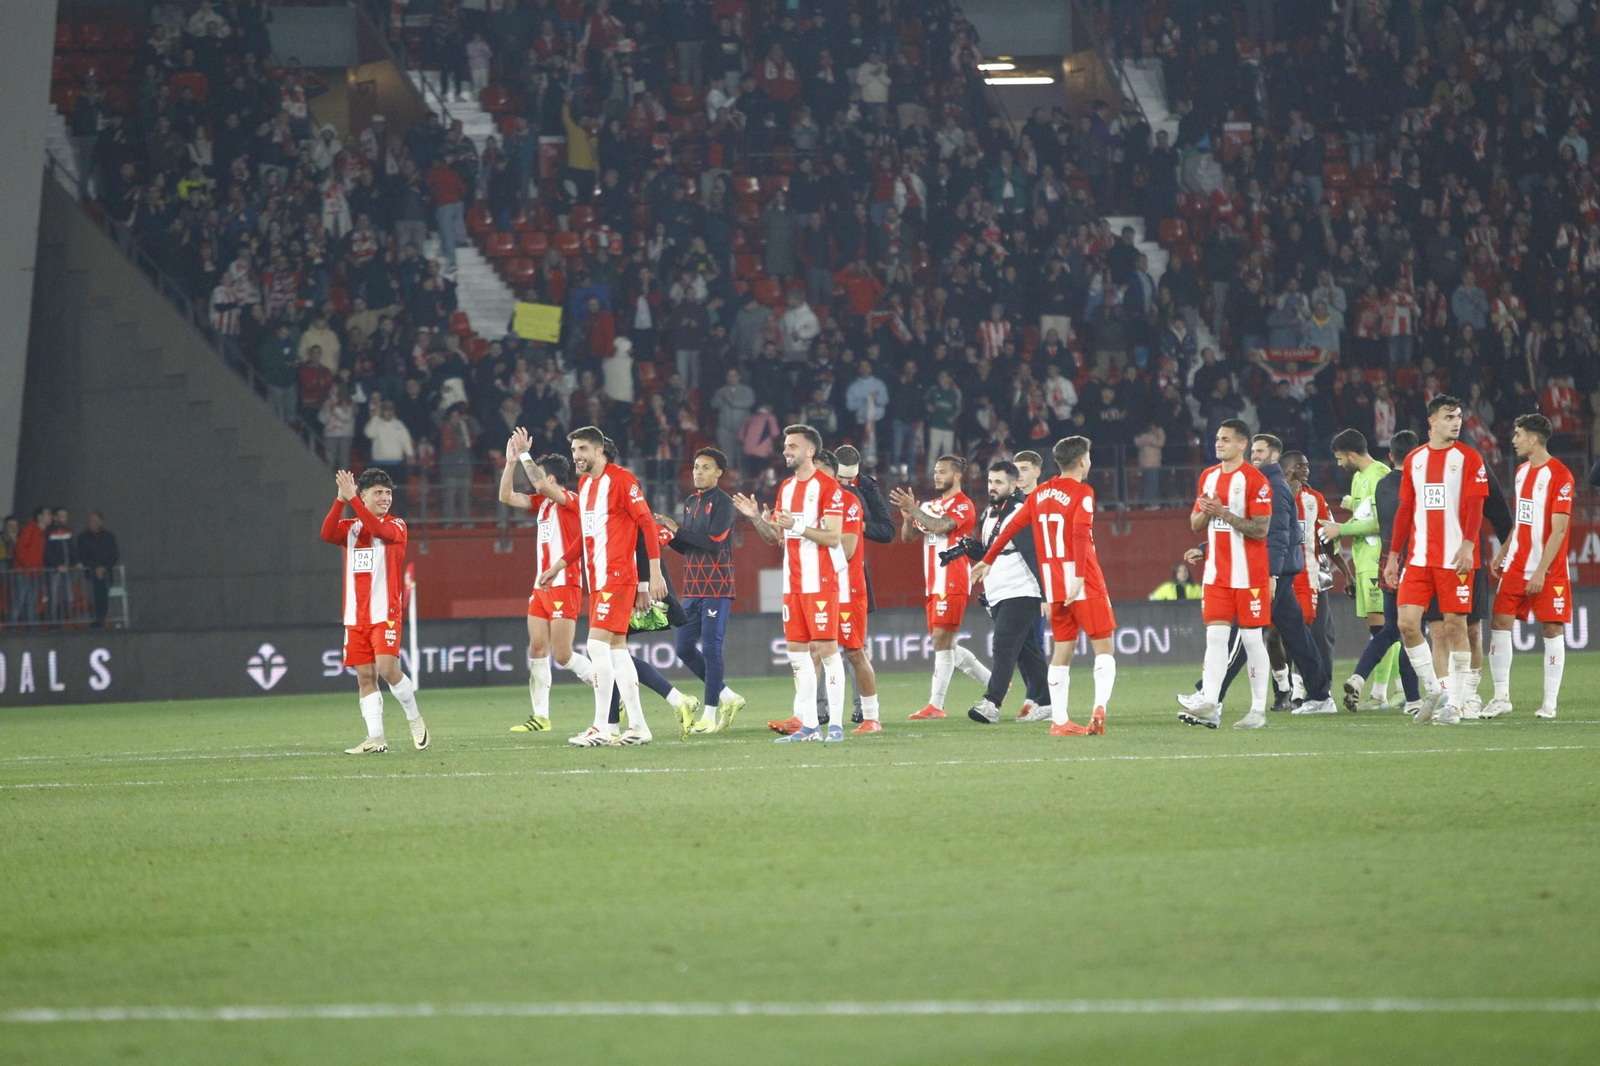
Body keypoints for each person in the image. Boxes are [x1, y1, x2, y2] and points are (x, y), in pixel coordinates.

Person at [536, 425, 667, 747]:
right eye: (574, 451)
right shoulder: (585, 485)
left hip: (618, 575)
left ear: (599, 451)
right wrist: (559, 565)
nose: (576, 457)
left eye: (582, 449)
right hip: (597, 580)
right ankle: (637, 727)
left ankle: (602, 727)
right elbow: (587, 535)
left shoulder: (621, 479)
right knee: (617, 652)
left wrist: (653, 573)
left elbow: (647, 523)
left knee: (596, 648)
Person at [972, 436, 1112, 736]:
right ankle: (1099, 708)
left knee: (1062, 652)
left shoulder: (1040, 494)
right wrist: (1077, 575)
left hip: (1053, 586)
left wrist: (988, 558)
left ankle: (1059, 721)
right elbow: (1079, 532)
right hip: (1082, 581)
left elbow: (1011, 527)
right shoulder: (1083, 492)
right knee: (1104, 648)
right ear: (1083, 461)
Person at [731, 424, 849, 743]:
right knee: (797, 654)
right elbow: (776, 537)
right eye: (785, 445)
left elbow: (834, 537)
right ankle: (809, 727)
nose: (786, 450)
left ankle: (835, 725)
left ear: (810, 451)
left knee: (826, 649)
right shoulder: (785, 488)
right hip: (792, 583)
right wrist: (756, 518)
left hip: (820, 582)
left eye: (792, 446)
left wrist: (796, 524)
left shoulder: (828, 488)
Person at [1384, 395, 1489, 725]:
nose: (1456, 422)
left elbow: (1475, 507)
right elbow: (1404, 510)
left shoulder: (1470, 458)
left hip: (1454, 558)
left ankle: (1455, 705)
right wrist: (1393, 556)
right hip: (1418, 559)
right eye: (1448, 417)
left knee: (1456, 627)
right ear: (1432, 422)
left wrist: (1469, 545)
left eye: (1458, 416)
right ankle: (1435, 690)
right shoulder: (1415, 459)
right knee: (1406, 625)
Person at [319, 469, 428, 754]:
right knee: (365, 677)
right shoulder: (351, 527)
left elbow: (379, 531)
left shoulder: (397, 525)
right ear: (364, 496)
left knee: (387, 669)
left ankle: (414, 718)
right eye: (377, 493)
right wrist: (340, 500)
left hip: (385, 612)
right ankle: (376, 738)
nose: (385, 498)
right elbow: (326, 533)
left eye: (388, 493)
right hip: (355, 615)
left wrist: (352, 498)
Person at [498, 432, 597, 733]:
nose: (533, 480)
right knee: (538, 648)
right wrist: (511, 461)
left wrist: (526, 453)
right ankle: (541, 717)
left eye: (539, 475)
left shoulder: (572, 501)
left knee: (563, 655)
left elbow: (538, 483)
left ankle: (610, 689)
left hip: (565, 583)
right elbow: (506, 496)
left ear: (551, 478)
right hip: (541, 587)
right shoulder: (543, 503)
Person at [1179, 419, 1274, 729]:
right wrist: (1207, 511)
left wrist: (1225, 514)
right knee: (1216, 639)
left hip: (1250, 576)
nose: (1219, 443)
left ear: (1242, 444)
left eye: (1226, 439)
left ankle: (1258, 711)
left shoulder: (1256, 481)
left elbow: (1261, 530)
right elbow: (1194, 524)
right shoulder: (1207, 477)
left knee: (1251, 640)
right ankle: (1210, 703)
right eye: (1218, 438)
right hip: (1216, 575)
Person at [1484, 415, 1573, 720]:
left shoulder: (1561, 476)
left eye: (1518, 434)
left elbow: (1558, 531)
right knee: (1499, 624)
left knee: (1551, 628)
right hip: (1516, 565)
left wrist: (1540, 572)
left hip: (1548, 571)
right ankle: (1500, 697)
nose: (1514, 439)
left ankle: (1549, 702)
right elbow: (1521, 524)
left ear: (1534, 439)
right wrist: (1502, 552)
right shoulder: (1521, 473)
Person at [655, 447, 748, 734]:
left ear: (719, 473)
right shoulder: (690, 502)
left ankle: (708, 714)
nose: (698, 471)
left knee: (710, 648)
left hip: (717, 586)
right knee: (683, 648)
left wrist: (679, 532)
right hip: (693, 587)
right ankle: (728, 697)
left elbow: (713, 542)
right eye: (696, 466)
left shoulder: (723, 503)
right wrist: (671, 536)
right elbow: (688, 548)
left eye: (706, 467)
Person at [891, 456, 991, 719]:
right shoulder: (930, 505)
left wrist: (914, 509)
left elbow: (939, 526)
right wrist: (906, 517)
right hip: (933, 583)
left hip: (953, 578)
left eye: (942, 472)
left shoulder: (963, 506)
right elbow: (909, 537)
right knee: (945, 643)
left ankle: (936, 705)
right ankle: (995, 683)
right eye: (935, 471)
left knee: (940, 641)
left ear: (957, 476)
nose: (936, 476)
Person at [1340, 431, 1425, 716]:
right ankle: (1414, 696)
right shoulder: (1419, 484)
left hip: (1387, 562)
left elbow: (1381, 520)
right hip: (1417, 561)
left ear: (1391, 455)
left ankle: (1369, 681)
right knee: (1412, 631)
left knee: (1392, 629)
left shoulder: (1383, 481)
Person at [964, 460, 1052, 725]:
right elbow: (991, 552)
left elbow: (1033, 554)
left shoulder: (1019, 512)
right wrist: (970, 549)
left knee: (1003, 646)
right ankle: (1048, 703)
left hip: (1021, 590)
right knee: (1027, 651)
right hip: (998, 591)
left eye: (999, 482)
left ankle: (992, 703)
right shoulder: (989, 513)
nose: (992, 487)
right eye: (990, 481)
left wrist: (1046, 593)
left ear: (1014, 485)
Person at [812, 449, 882, 733]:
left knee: (854, 652)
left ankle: (871, 717)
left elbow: (849, 549)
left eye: (818, 470)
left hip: (847, 588)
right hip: (821, 588)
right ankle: (805, 715)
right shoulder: (813, 504)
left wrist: (806, 534)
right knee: (814, 650)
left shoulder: (849, 501)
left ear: (831, 472)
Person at [1320, 429, 1391, 709]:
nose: (1338, 465)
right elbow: (1366, 516)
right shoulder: (1359, 479)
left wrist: (1342, 528)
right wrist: (1352, 509)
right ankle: (1389, 691)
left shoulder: (1379, 475)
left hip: (1377, 560)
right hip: (1363, 562)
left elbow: (1381, 523)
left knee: (1383, 629)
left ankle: (1381, 694)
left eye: (1340, 459)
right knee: (1379, 629)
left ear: (1352, 454)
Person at [831, 444, 896, 724]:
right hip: (820, 573)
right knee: (818, 646)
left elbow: (887, 531)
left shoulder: (866, 488)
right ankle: (817, 710)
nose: (845, 485)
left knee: (855, 647)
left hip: (852, 570)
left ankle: (863, 709)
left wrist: (853, 524)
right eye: (841, 480)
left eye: (850, 481)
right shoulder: (819, 488)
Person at [77, 512, 120, 627]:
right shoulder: (83, 538)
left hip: (106, 573)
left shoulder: (109, 537)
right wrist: (94, 568)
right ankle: (93, 619)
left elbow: (114, 555)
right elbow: (81, 555)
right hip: (90, 574)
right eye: (91, 520)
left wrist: (104, 567)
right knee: (91, 596)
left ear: (101, 522)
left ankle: (102, 619)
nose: (93, 523)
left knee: (104, 597)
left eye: (96, 520)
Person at [9, 508, 48, 625]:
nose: (50, 516)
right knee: (20, 599)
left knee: (31, 600)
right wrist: (28, 565)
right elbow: (20, 549)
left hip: (33, 572)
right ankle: (13, 626)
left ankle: (31, 625)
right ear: (40, 516)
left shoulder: (40, 532)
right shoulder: (30, 529)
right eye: (47, 513)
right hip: (24, 571)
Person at [44, 508, 79, 623]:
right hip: (55, 569)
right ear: (55, 517)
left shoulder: (67, 531)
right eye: (62, 516)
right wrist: (57, 565)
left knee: (69, 596)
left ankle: (65, 620)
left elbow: (71, 549)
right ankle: (54, 622)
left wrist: (75, 562)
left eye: (65, 516)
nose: (64, 518)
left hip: (66, 568)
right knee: (53, 597)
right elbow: (47, 552)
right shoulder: (49, 531)